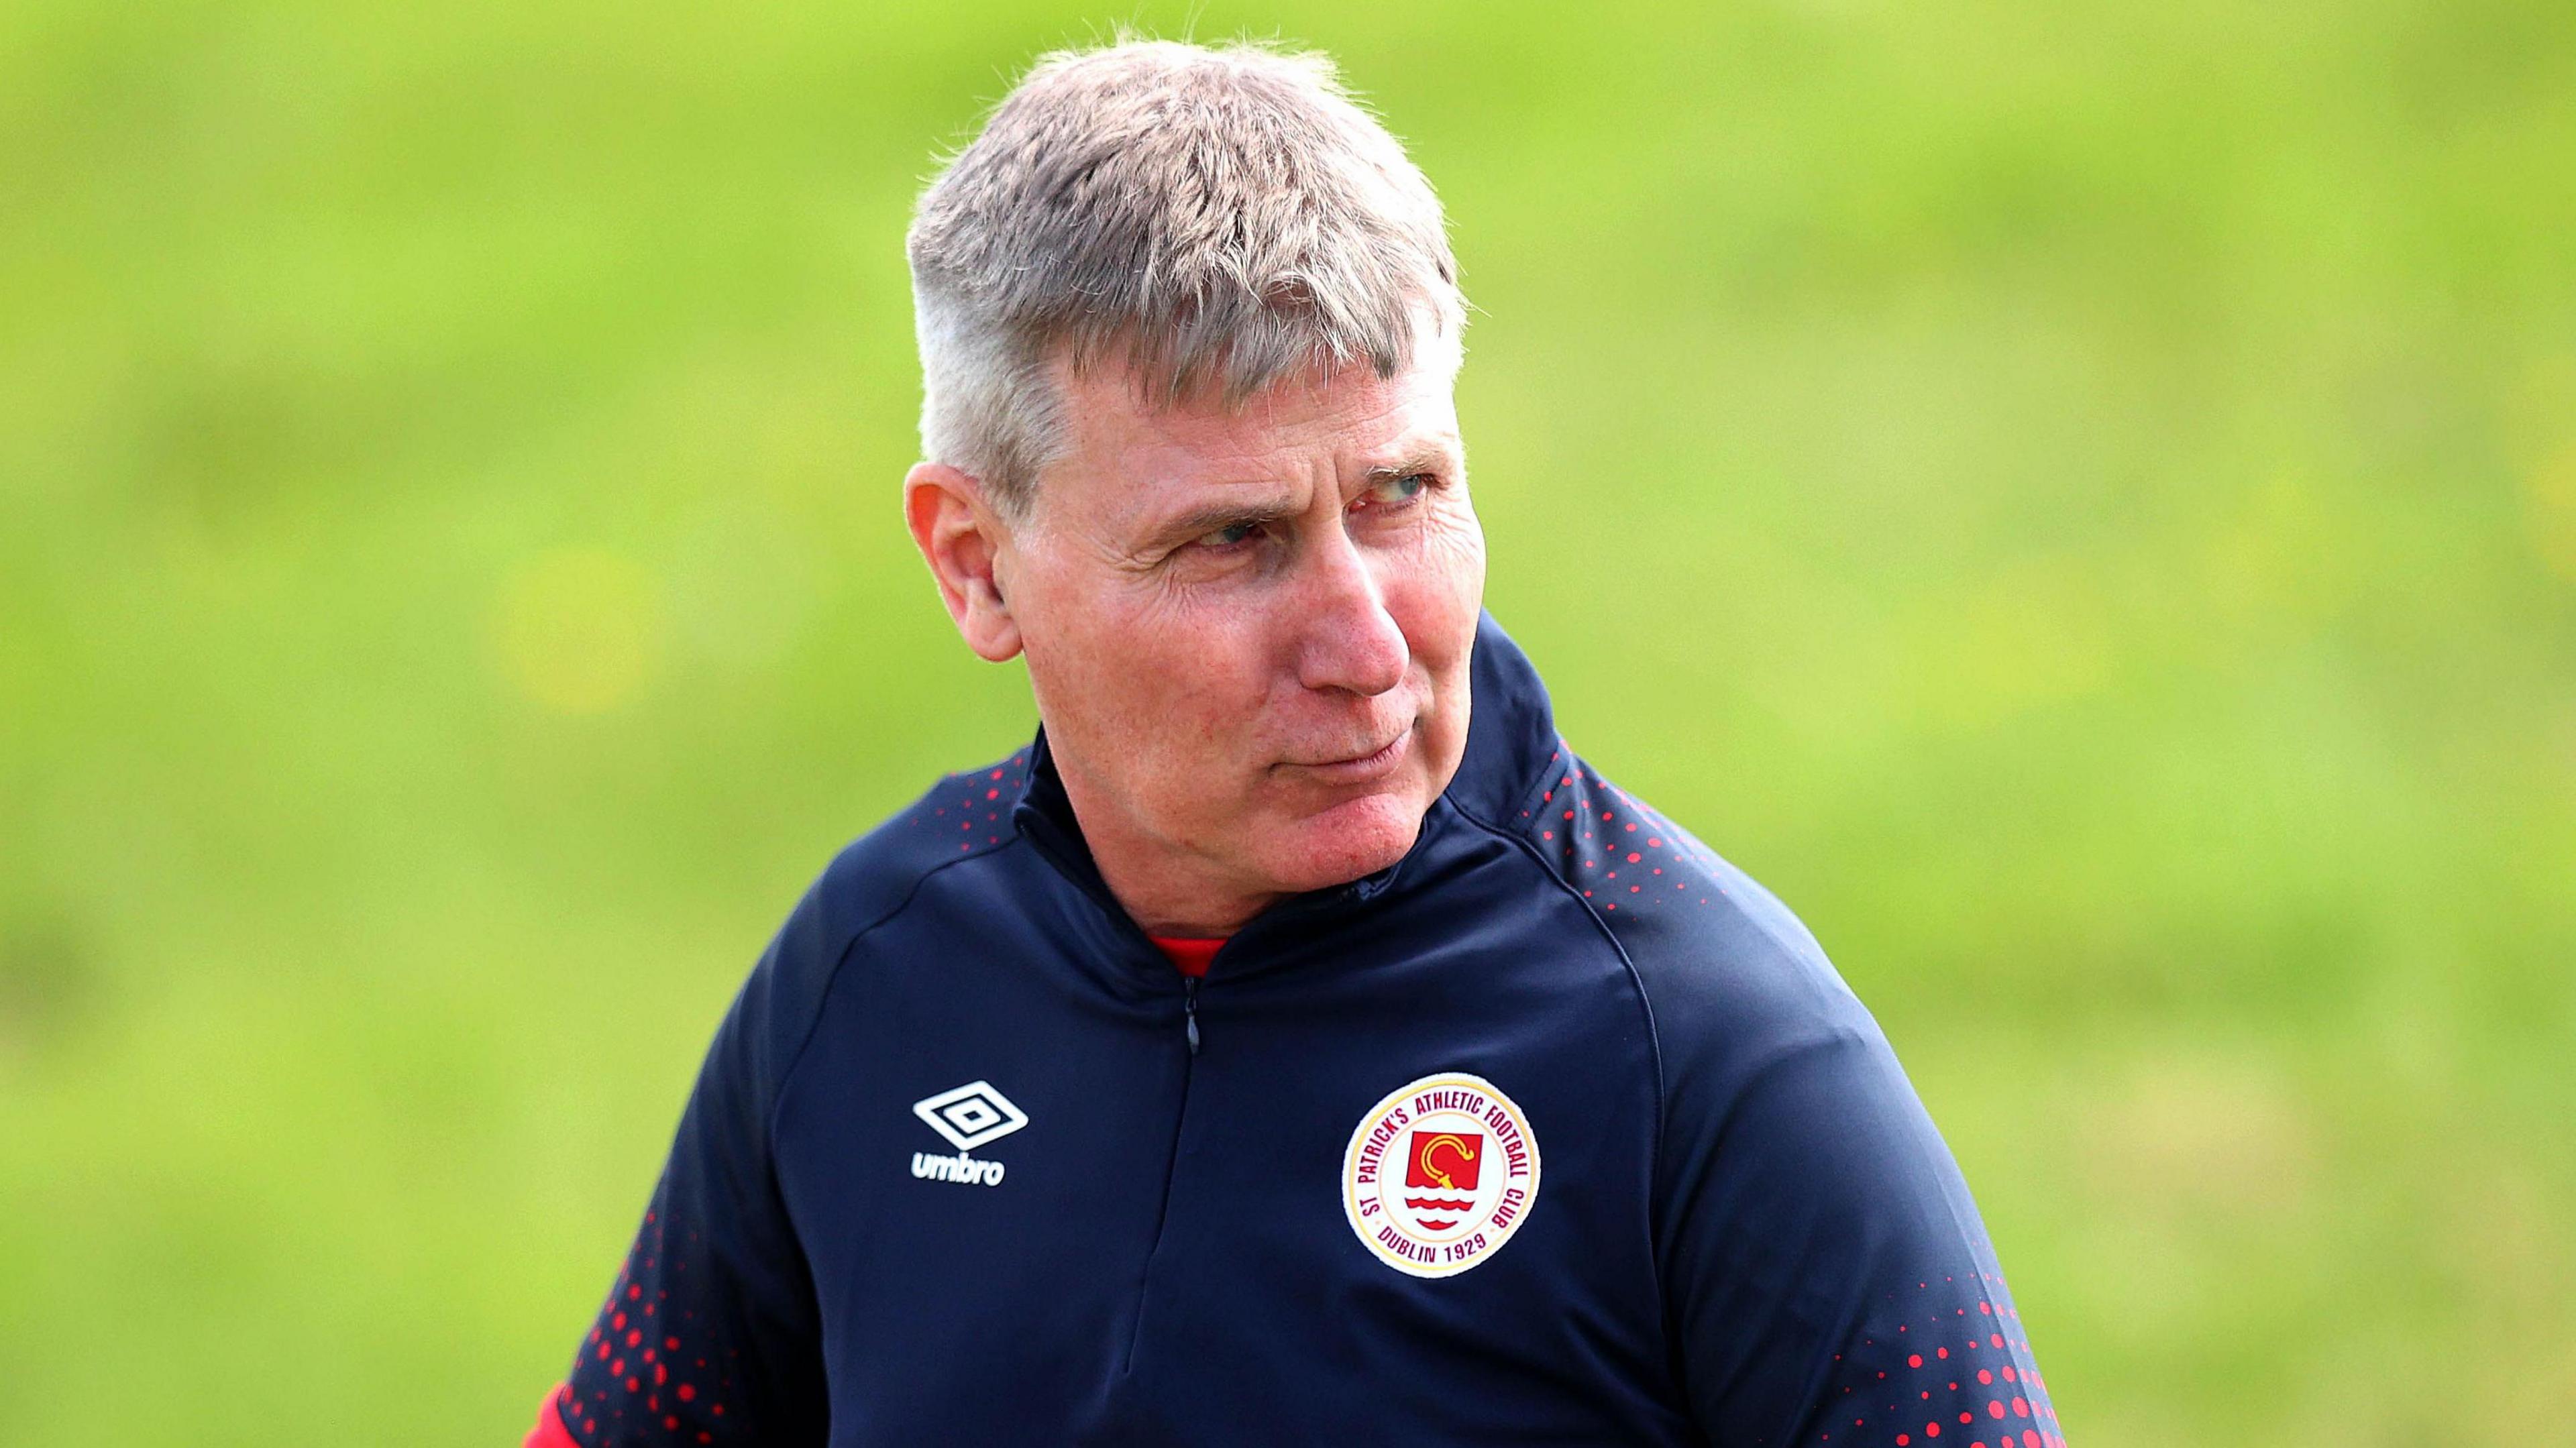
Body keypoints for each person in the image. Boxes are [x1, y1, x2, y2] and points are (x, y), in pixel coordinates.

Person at [523, 38, 2066, 1448]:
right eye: (1233, 542)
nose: (1368, 645)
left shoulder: (1710, 1054)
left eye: (1399, 496)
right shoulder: (869, 980)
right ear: (976, 564)